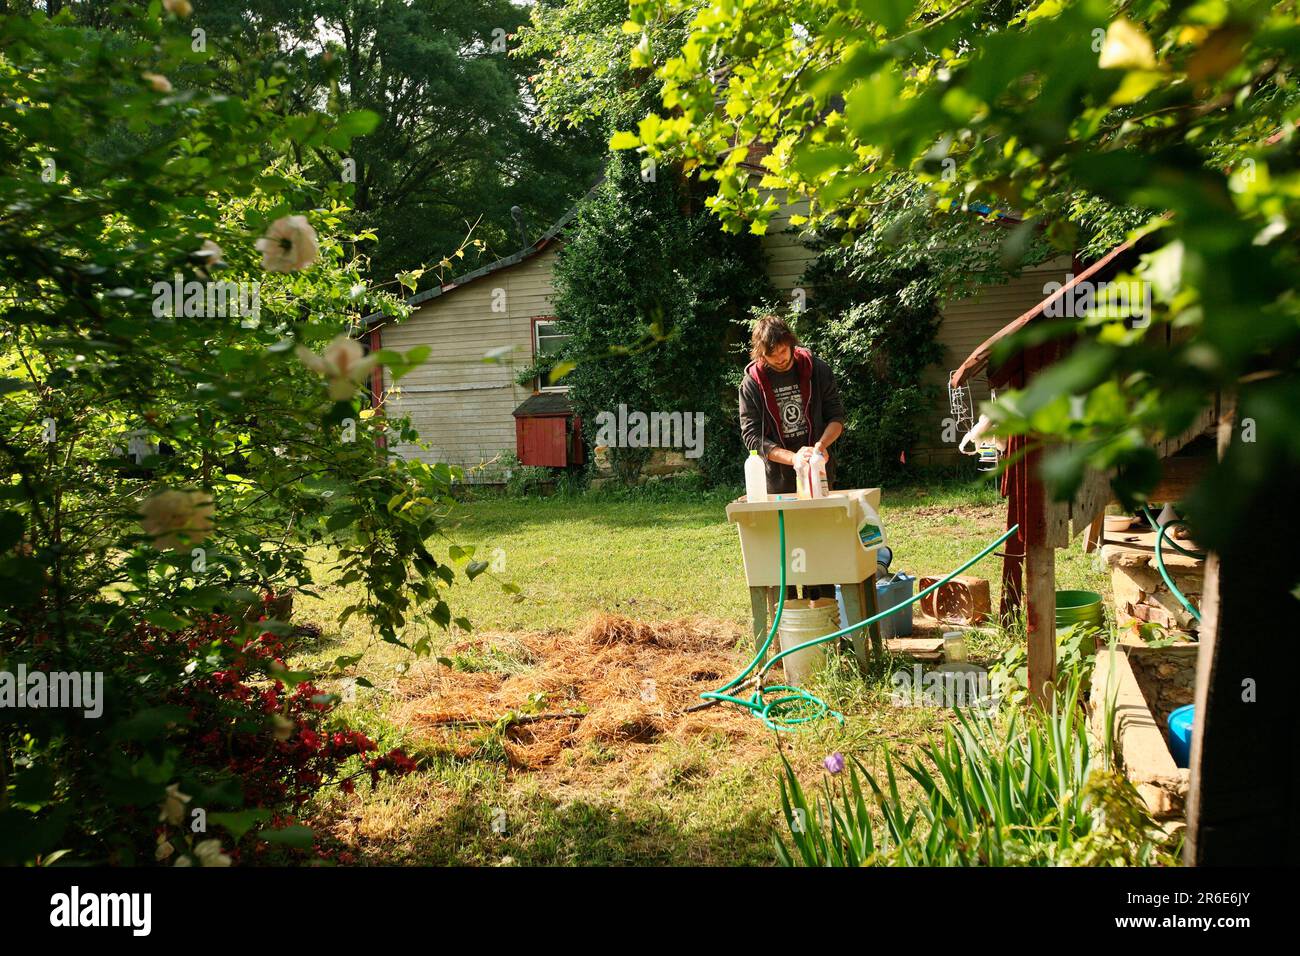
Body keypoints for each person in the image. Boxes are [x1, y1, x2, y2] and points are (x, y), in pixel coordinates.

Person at [739, 315, 846, 601]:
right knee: (783, 559)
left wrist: (820, 448)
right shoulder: (752, 384)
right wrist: (793, 458)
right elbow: (752, 437)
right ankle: (790, 629)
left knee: (819, 552)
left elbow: (836, 417)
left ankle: (826, 624)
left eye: (783, 351)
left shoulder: (816, 369)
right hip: (777, 483)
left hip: (819, 476)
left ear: (790, 342)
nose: (780, 359)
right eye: (771, 356)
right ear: (761, 354)